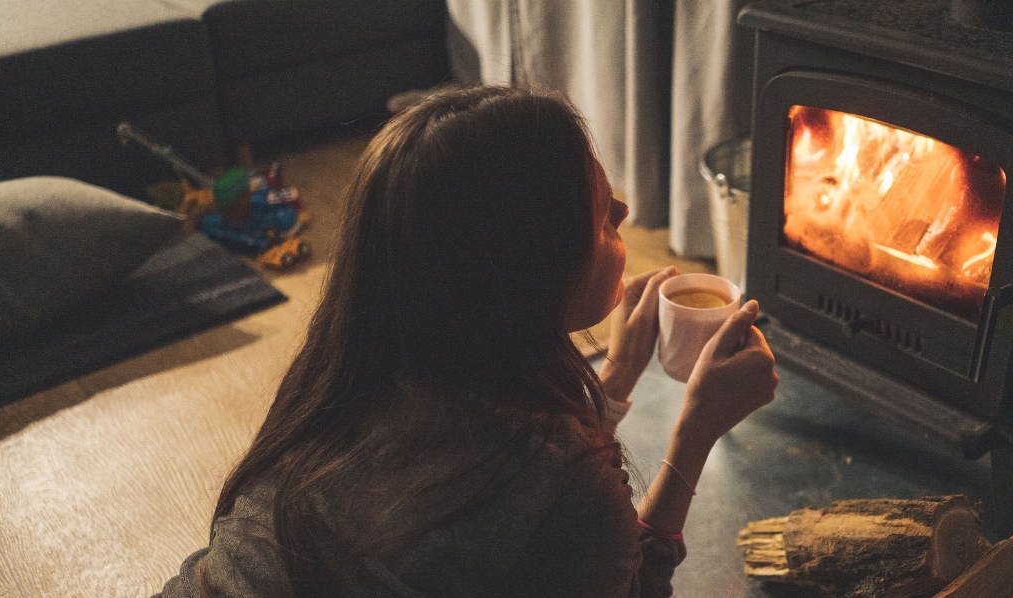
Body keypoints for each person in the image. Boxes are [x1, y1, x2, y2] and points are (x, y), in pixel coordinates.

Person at [155, 85, 778, 598]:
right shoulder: (571, 494)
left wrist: (612, 379)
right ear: (521, 267)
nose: (621, 209)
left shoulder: (347, 380)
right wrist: (694, 433)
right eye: (594, 211)